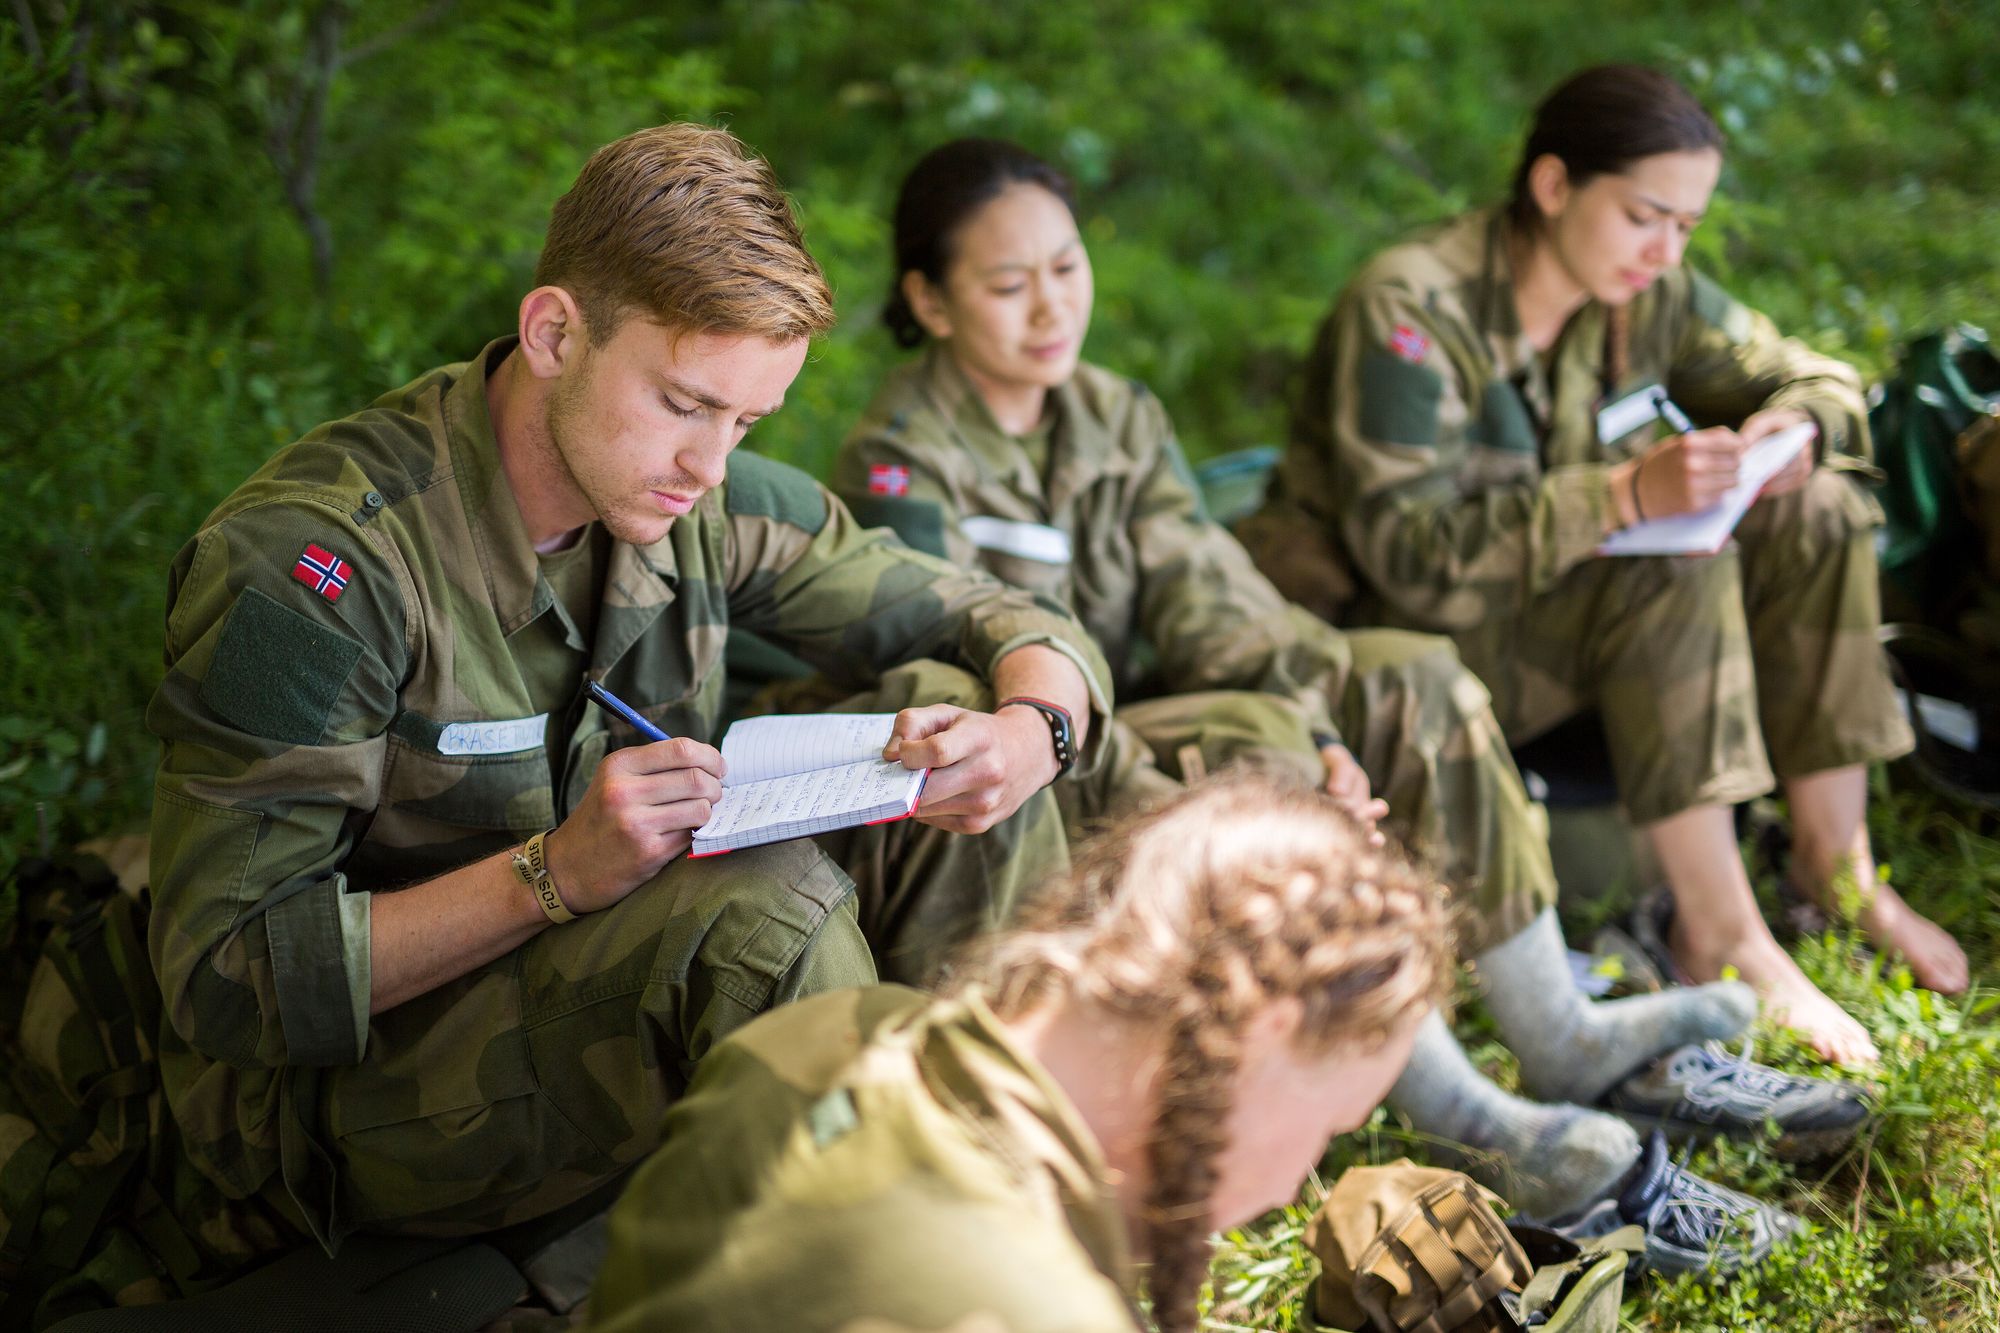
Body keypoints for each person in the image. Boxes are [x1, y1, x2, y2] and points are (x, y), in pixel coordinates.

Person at [824, 137, 1835, 1251]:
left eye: (1065, 268)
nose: (1048, 307)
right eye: (1006, 285)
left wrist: (1328, 729)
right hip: (1032, 776)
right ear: (926, 298)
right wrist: (1289, 774)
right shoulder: (898, 460)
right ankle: (1466, 1113)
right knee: (1261, 750)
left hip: (1146, 709)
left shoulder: (1112, 413)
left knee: (1406, 675)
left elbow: (1217, 604)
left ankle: (1553, 1022)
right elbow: (965, 682)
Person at [141, 121, 1113, 1276]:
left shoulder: (692, 496)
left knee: (944, 724)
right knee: (762, 915)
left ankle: (1011, 1204)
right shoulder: (319, 573)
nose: (710, 464)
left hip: (593, 986)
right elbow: (227, 978)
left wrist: (1028, 730)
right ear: (553, 332)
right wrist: (549, 876)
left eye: (747, 422)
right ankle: (901, 1281)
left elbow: (996, 614)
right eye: (685, 404)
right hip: (352, 1097)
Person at [1241, 63, 1969, 1066]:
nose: (1664, 248)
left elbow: (1815, 371)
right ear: (1551, 188)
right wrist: (1623, 496)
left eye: (1684, 225)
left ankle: (1830, 872)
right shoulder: (1410, 315)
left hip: (1546, 614)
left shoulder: (1638, 292)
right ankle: (1715, 932)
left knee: (1819, 508)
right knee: (1663, 565)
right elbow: (1407, 564)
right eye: (1642, 215)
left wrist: (1793, 423)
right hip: (1403, 647)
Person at [588, 771, 1451, 1333]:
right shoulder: (1040, 1310)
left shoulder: (833, 1031)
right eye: (1331, 1126)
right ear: (1262, 1039)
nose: (1287, 1191)